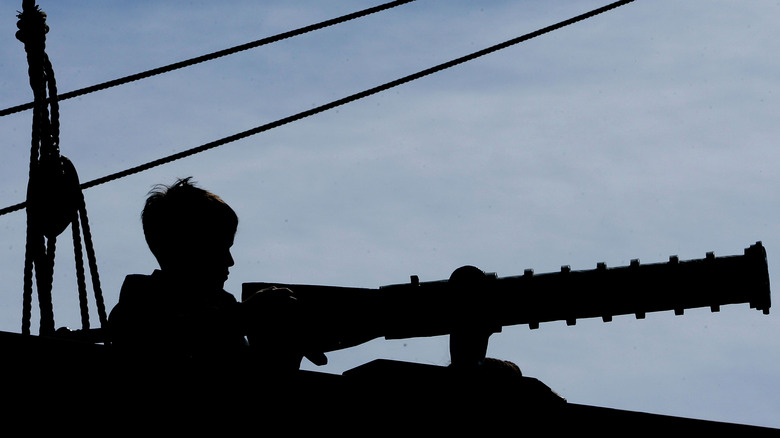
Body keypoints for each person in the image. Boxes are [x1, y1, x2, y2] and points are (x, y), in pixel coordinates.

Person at [108, 177, 314, 372]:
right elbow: (173, 339)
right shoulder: (139, 306)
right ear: (185, 248)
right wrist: (244, 316)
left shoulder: (223, 309)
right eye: (219, 248)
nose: (229, 261)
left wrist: (286, 348)